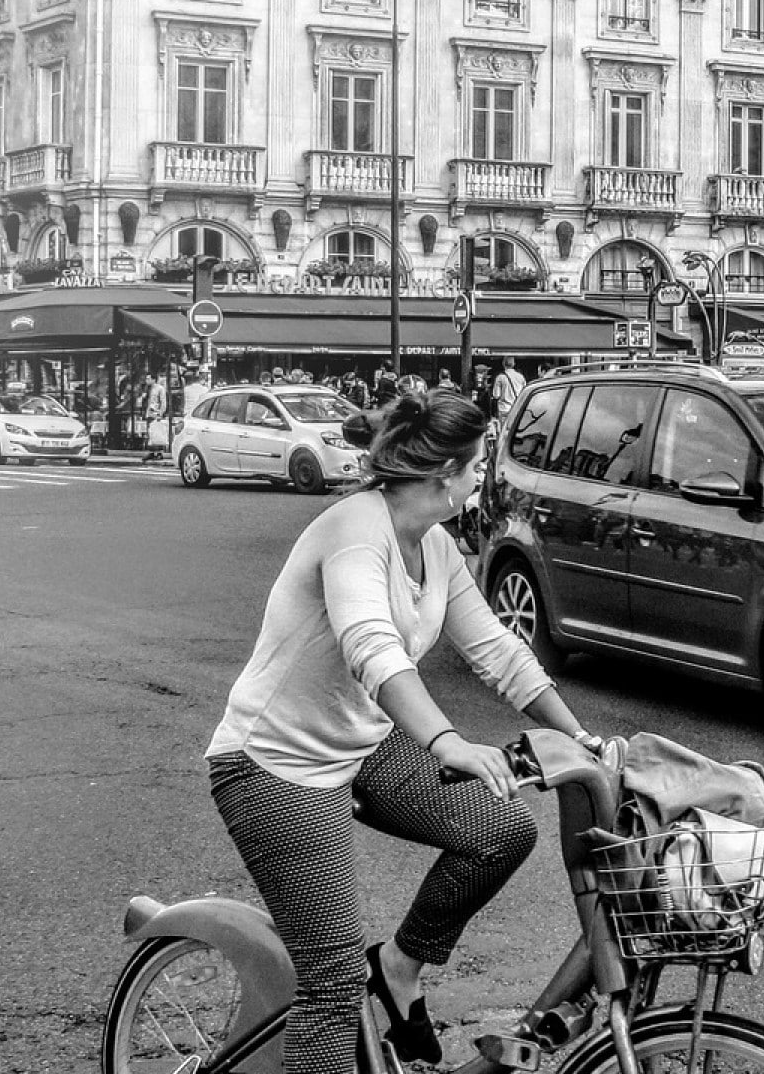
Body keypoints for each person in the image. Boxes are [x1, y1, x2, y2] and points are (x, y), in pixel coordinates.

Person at [205, 390, 601, 1074]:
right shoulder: (356, 531)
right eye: (479, 462)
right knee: (329, 983)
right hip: (275, 764)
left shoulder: (436, 546)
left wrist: (584, 740)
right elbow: (373, 648)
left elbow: (499, 654)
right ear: (446, 472)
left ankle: (397, 968)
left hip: (362, 742)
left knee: (499, 831)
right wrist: (448, 743)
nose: (484, 474)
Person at [492, 356, 525, 423]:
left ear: (503, 364)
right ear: (514, 364)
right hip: (517, 408)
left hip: (504, 409)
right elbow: (524, 393)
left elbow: (496, 395)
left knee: (504, 430)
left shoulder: (500, 377)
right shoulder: (521, 377)